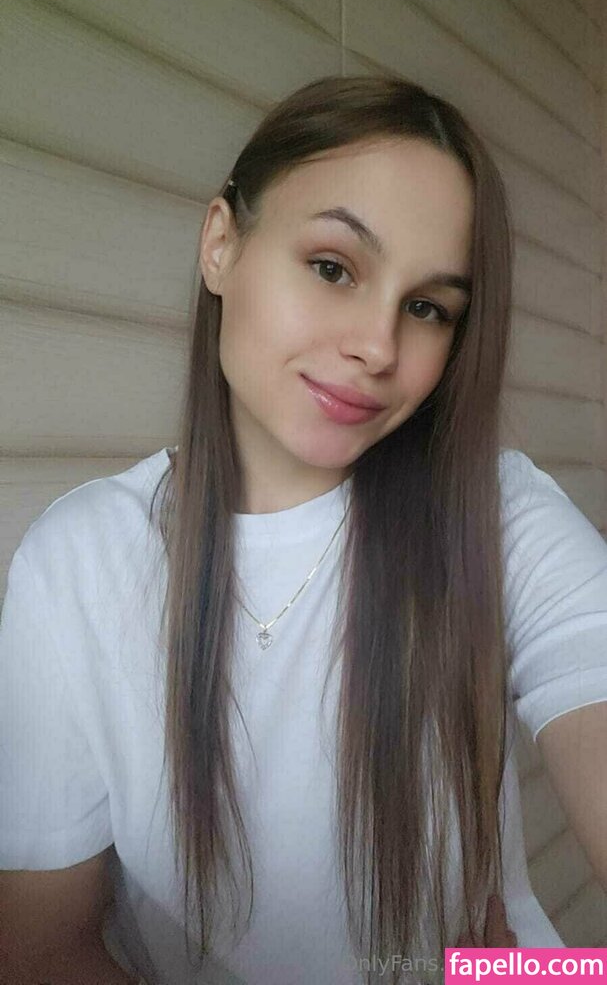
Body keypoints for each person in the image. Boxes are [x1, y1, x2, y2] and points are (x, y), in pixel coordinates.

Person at [1, 75, 606, 985]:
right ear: (220, 245)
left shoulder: (492, 515)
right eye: (333, 267)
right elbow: (39, 947)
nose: (378, 346)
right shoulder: (81, 562)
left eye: (427, 307)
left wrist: (555, 975)